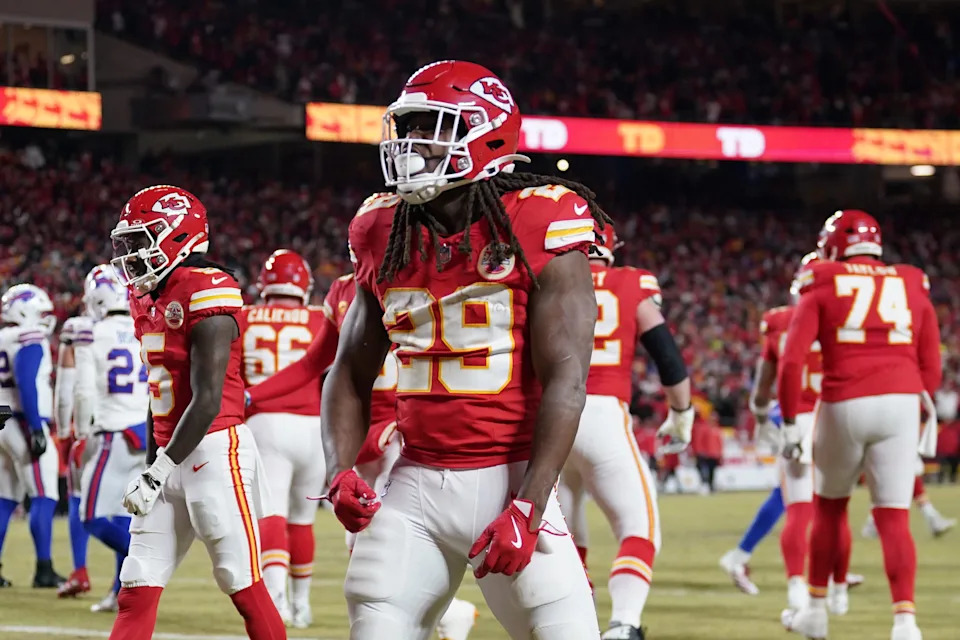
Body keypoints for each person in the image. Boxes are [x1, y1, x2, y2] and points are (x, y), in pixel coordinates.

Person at [322, 60, 605, 639]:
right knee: (374, 622)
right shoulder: (380, 227)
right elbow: (350, 370)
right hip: (414, 484)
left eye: (434, 127)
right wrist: (338, 469)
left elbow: (567, 381)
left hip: (509, 478)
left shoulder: (541, 218)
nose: (412, 146)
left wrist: (528, 505)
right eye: (409, 128)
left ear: (487, 133)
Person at [247, 269, 479, 640]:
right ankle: (443, 615)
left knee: (392, 533)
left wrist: (414, 418)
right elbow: (314, 363)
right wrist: (250, 397)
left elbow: (446, 355)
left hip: (402, 427)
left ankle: (440, 612)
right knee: (358, 536)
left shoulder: (425, 274)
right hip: (360, 425)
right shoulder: (343, 289)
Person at [107, 185, 285, 639]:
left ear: (177, 236)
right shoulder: (146, 297)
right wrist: (154, 461)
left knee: (240, 582)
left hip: (214, 450)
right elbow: (157, 392)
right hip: (169, 454)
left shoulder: (209, 287)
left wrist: (156, 469)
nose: (133, 254)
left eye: (142, 240)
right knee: (136, 585)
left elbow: (206, 398)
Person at [779, 210, 941, 640]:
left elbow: (792, 359)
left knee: (830, 507)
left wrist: (792, 420)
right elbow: (932, 362)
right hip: (902, 400)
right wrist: (918, 408)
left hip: (845, 399)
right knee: (894, 517)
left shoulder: (822, 278)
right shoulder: (909, 281)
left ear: (833, 244)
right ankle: (905, 622)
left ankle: (815, 611)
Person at [556, 224, 692, 640]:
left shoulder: (543, 277)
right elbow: (667, 355)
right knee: (640, 528)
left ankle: (569, 624)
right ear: (609, 248)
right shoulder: (630, 283)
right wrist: (681, 414)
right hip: (602, 414)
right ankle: (623, 625)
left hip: (549, 418)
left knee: (562, 536)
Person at [238, 249, 326, 627]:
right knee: (303, 520)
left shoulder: (244, 316)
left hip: (265, 424)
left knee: (271, 512)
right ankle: (302, 605)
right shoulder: (321, 317)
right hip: (314, 427)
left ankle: (276, 599)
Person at [73, 264, 151, 613]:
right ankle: (122, 591)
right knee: (123, 517)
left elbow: (84, 390)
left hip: (113, 433)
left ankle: (145, 568)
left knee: (89, 515)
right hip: (144, 432)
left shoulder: (92, 333)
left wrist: (80, 431)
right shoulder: (142, 328)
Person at [0, 283, 63, 588]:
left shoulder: (2, 337)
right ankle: (43, 568)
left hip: (2, 422)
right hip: (22, 420)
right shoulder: (28, 337)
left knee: (4, 499)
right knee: (45, 493)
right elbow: (26, 382)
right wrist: (36, 428)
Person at [55, 311, 95, 598]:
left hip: (94, 426)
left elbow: (69, 388)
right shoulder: (138, 320)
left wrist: (67, 428)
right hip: (135, 425)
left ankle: (80, 570)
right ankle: (121, 584)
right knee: (126, 507)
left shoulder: (80, 329)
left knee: (78, 498)